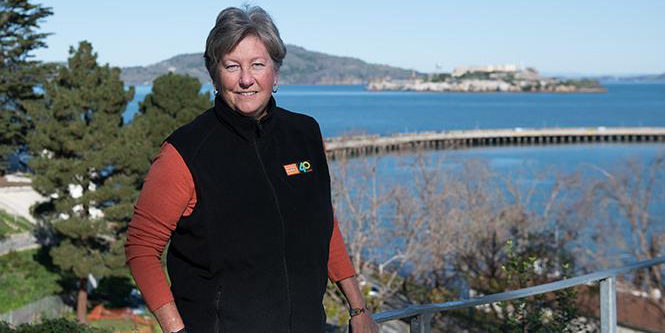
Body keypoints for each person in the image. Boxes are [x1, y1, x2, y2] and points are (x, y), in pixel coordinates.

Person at [125, 6, 379, 333]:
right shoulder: (185, 151)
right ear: (215, 74)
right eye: (232, 66)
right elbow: (142, 247)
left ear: (276, 72)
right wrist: (177, 330)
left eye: (258, 64)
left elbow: (322, 221)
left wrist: (358, 307)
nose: (246, 79)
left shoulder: (305, 134)